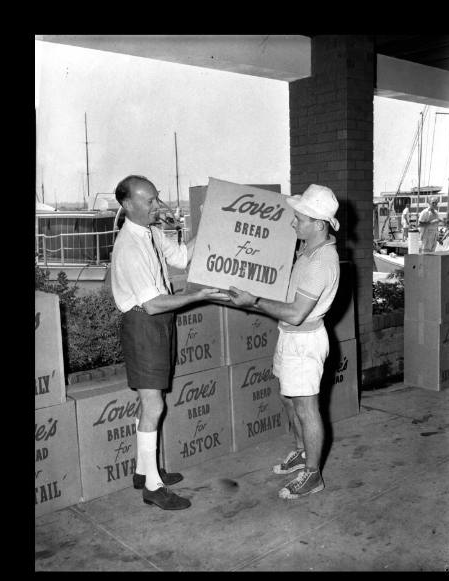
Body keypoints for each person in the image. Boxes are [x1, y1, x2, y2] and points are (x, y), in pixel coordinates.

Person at [111, 175, 229, 511]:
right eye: (149, 201)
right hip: (144, 323)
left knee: (152, 399)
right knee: (154, 405)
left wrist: (207, 227)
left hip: (158, 322)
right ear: (128, 204)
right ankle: (153, 486)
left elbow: (180, 257)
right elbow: (152, 303)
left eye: (156, 198)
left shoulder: (150, 233)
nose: (157, 206)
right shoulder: (129, 247)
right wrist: (198, 295)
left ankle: (142, 470)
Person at [228, 184, 340, 500]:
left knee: (306, 408)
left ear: (318, 224)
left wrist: (254, 300)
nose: (293, 223)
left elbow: (294, 314)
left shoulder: (321, 262)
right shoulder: (307, 250)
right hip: (290, 339)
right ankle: (302, 451)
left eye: (299, 219)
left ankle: (313, 474)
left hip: (303, 342)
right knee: (288, 399)